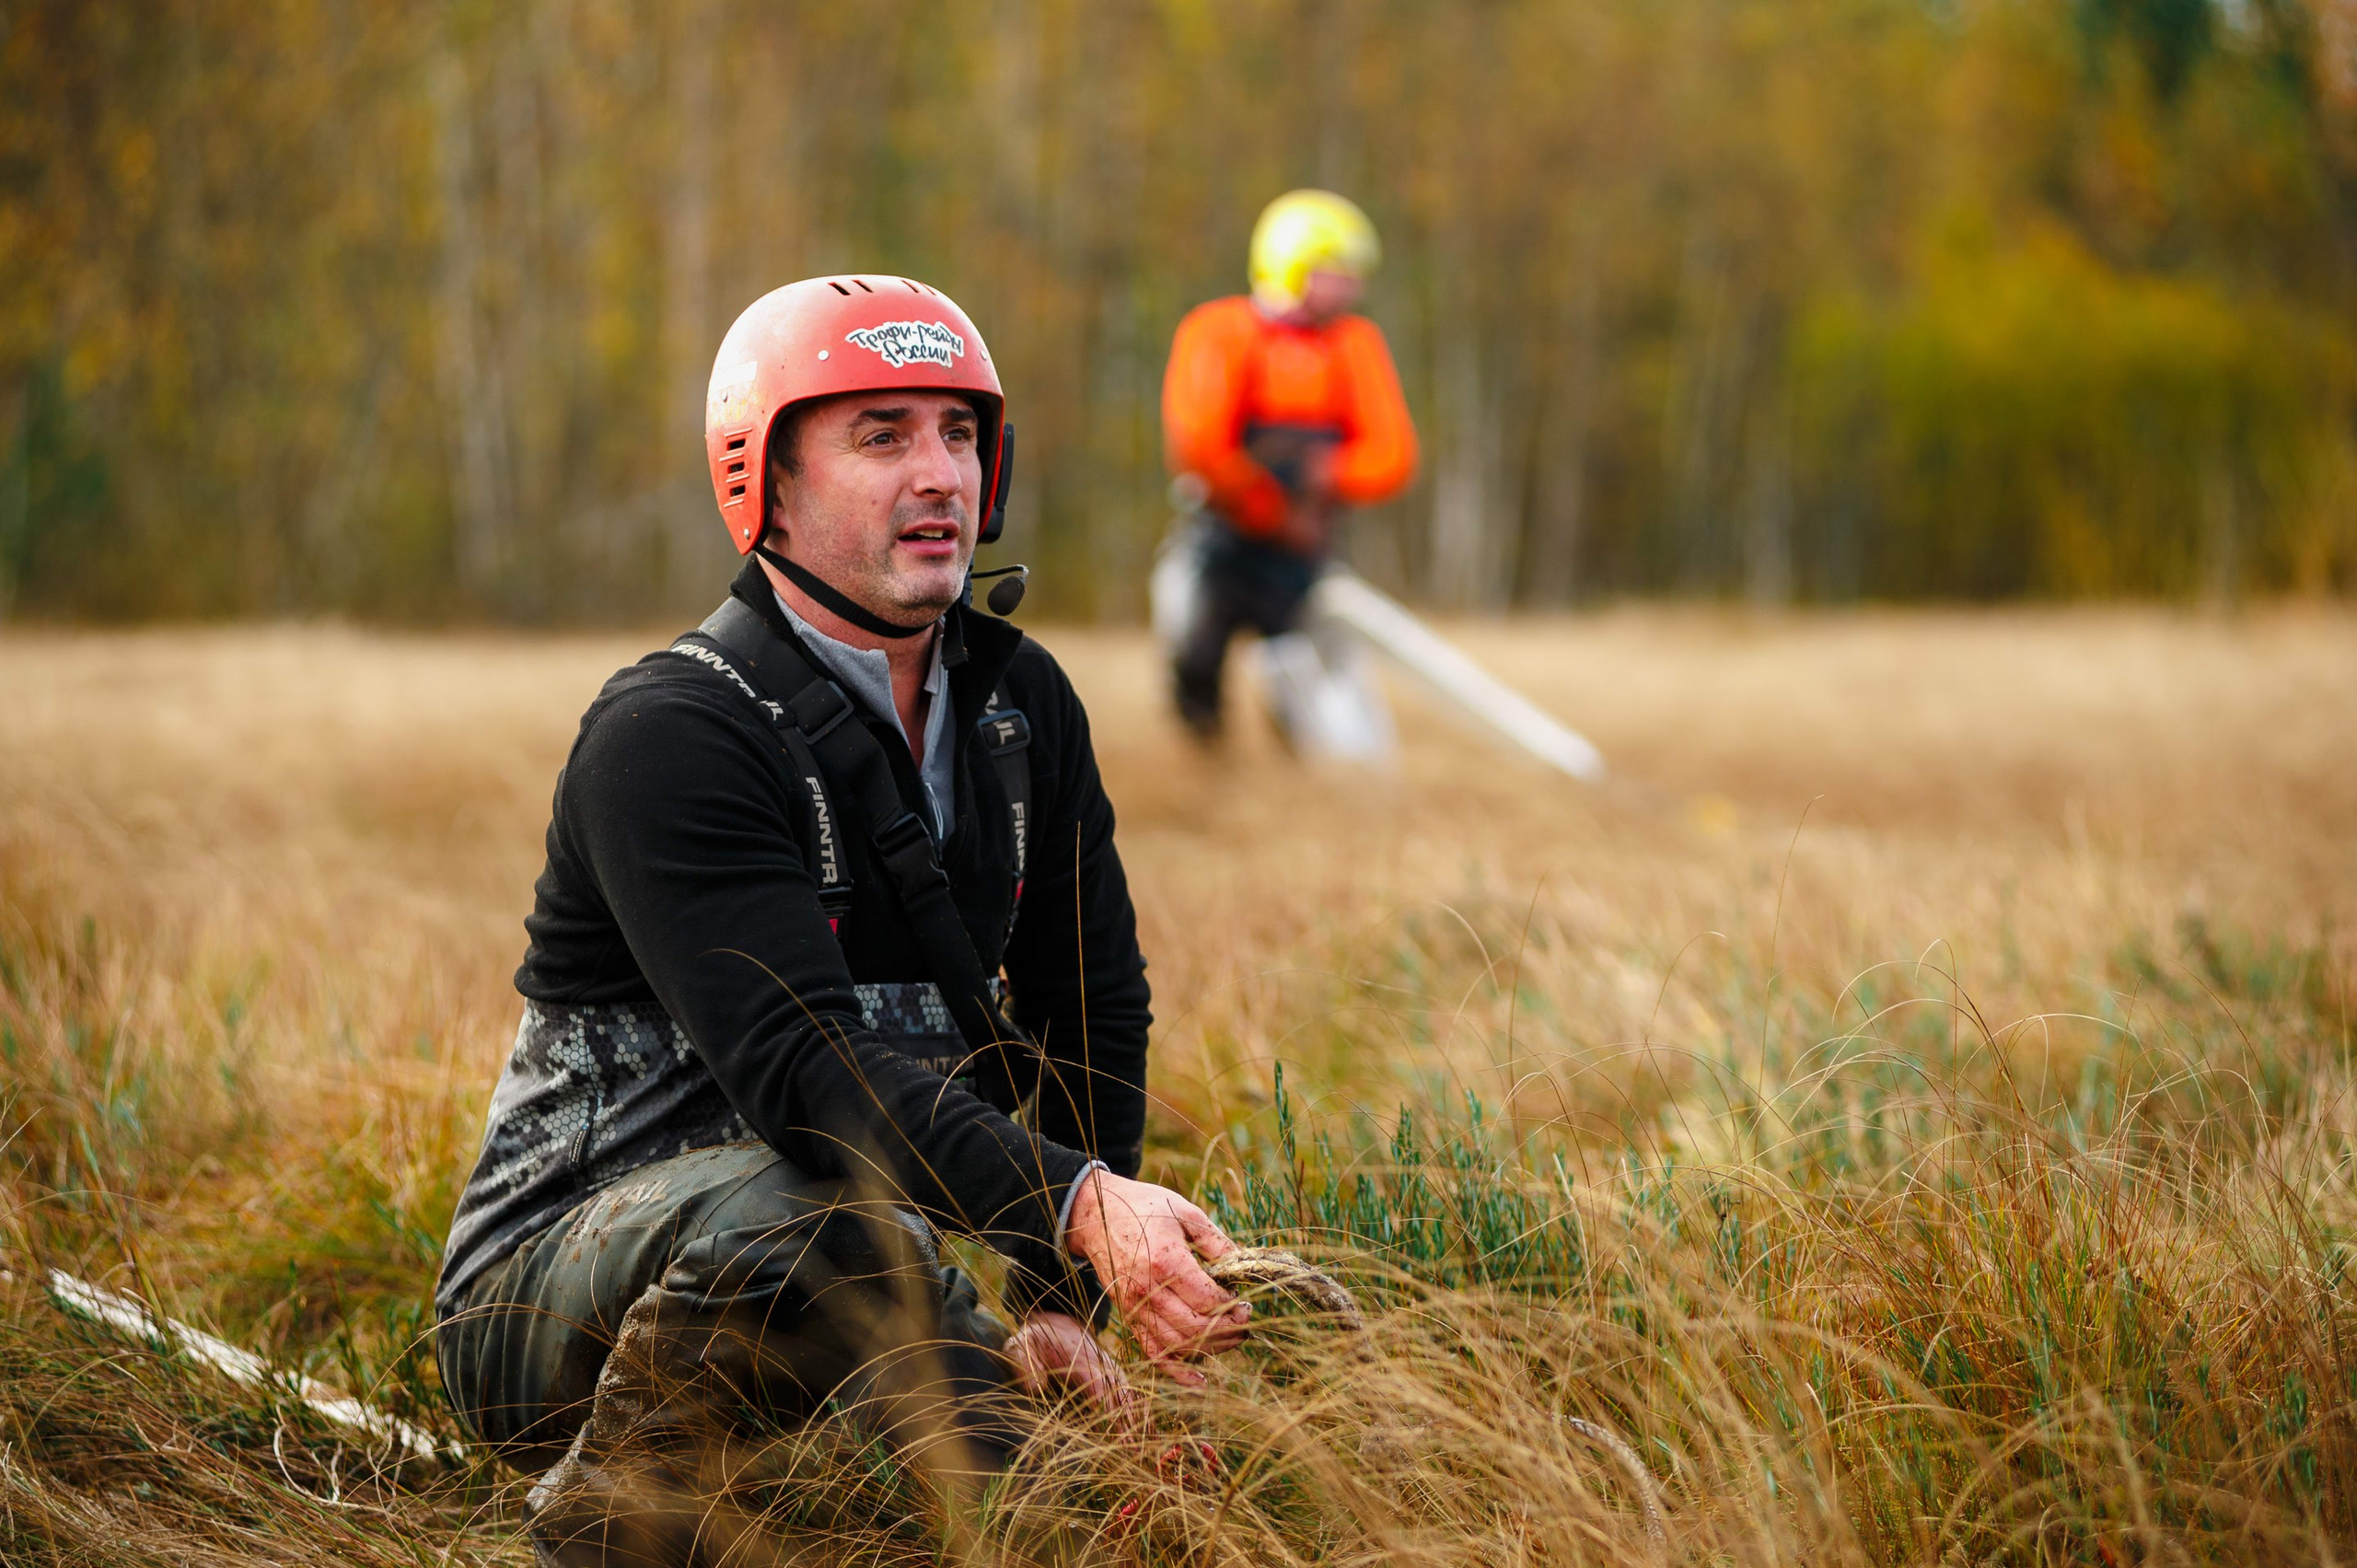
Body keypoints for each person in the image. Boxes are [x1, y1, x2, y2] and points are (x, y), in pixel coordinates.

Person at [435, 275, 1250, 1566]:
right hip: (555, 1293)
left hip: (866, 1254)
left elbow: (1089, 1004)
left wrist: (1062, 1295)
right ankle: (613, 1527)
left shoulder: (1022, 703)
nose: (941, 474)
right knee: (834, 1226)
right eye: (882, 434)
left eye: (961, 433)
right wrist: (1078, 1198)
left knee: (1168, 1407)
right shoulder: (669, 734)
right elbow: (807, 1074)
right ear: (763, 473)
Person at [1160, 189, 1420, 739]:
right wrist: (1271, 509)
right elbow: (1200, 446)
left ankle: (1304, 786)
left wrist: (1326, 475)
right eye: (1341, 271)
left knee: (1305, 689)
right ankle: (1207, 774)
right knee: (1193, 655)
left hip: (1306, 554)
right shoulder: (1221, 331)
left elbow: (1393, 454)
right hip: (1221, 543)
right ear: (1294, 263)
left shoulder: (1355, 344)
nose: (1355, 286)